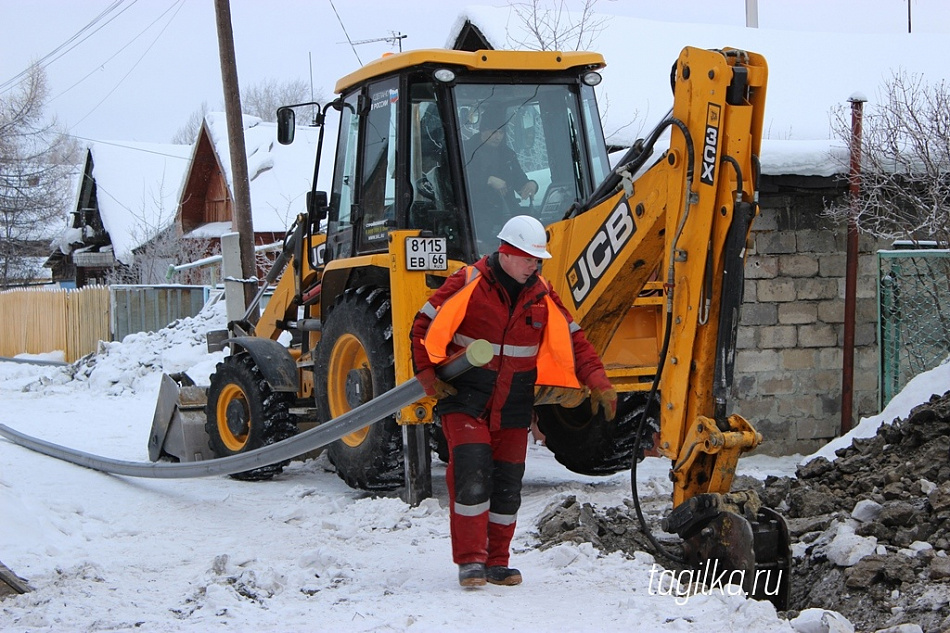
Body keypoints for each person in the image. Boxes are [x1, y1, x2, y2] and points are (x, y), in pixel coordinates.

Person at [410, 215, 618, 588]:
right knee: (472, 471)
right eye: (528, 258)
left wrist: (598, 381)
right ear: (506, 253)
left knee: (507, 484)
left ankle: (497, 562)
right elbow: (422, 324)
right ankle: (471, 561)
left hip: (513, 404)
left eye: (538, 260)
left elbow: (576, 341)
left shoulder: (541, 294)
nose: (534, 265)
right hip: (465, 399)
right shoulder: (469, 283)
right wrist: (427, 374)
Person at [465, 106, 539, 221]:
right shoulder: (465, 152)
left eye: (501, 132)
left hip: (507, 212)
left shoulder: (508, 154)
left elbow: (519, 180)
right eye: (493, 132)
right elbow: (461, 181)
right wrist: (488, 180)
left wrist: (531, 184)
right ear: (483, 130)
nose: (498, 137)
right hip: (475, 215)